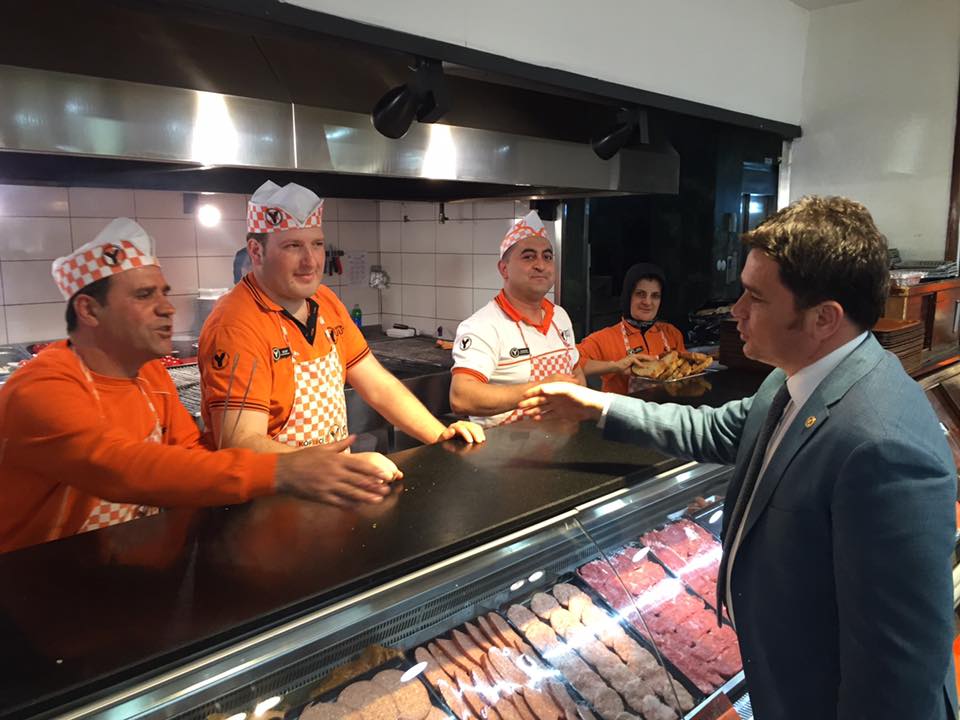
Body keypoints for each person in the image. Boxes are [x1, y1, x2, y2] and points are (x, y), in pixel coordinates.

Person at [521, 196, 958, 720]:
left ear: (823, 318)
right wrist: (598, 406)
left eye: (756, 297)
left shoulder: (884, 449)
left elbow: (899, 672)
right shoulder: (793, 378)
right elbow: (715, 429)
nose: (736, 311)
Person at [0, 218, 403, 554]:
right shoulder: (43, 388)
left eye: (164, 293)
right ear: (89, 310)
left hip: (127, 576)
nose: (167, 308)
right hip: (38, 589)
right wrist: (285, 470)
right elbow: (118, 469)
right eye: (144, 295)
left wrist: (305, 479)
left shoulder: (149, 376)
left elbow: (191, 455)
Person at [199, 181, 484, 452]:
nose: (310, 261)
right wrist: (329, 468)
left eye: (317, 244)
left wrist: (440, 436)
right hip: (275, 488)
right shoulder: (235, 325)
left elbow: (379, 387)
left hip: (330, 481)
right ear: (256, 251)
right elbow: (240, 443)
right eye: (293, 246)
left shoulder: (324, 301)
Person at [449, 210, 585, 427]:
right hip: (503, 447)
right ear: (504, 269)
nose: (541, 265)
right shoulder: (483, 326)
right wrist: (541, 389)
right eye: (528, 256)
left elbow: (575, 372)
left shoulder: (560, 316)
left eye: (547, 257)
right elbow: (462, 397)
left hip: (562, 442)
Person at [577, 262, 686, 394]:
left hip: (667, 406)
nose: (647, 302)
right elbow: (569, 363)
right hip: (621, 407)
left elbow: (686, 374)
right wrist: (614, 367)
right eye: (640, 294)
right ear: (628, 297)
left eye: (655, 296)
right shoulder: (605, 338)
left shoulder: (672, 333)